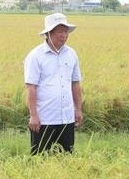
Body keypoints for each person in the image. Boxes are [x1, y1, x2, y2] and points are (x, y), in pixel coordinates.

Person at [24, 12, 84, 154]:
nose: (64, 35)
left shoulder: (71, 54)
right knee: (41, 157)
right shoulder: (35, 56)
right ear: (49, 33)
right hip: (44, 118)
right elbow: (31, 87)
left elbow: (75, 84)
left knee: (67, 157)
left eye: (65, 31)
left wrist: (78, 109)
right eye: (59, 31)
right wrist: (33, 115)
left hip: (67, 117)